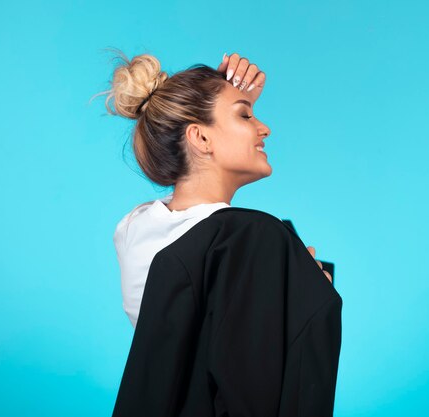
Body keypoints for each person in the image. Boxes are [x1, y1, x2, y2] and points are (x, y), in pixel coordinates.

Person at [93, 49, 342, 416]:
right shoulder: (249, 240)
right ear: (200, 138)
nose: (265, 128)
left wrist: (225, 104)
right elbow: (260, 388)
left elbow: (193, 334)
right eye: (246, 115)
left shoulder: (135, 229)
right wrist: (305, 293)